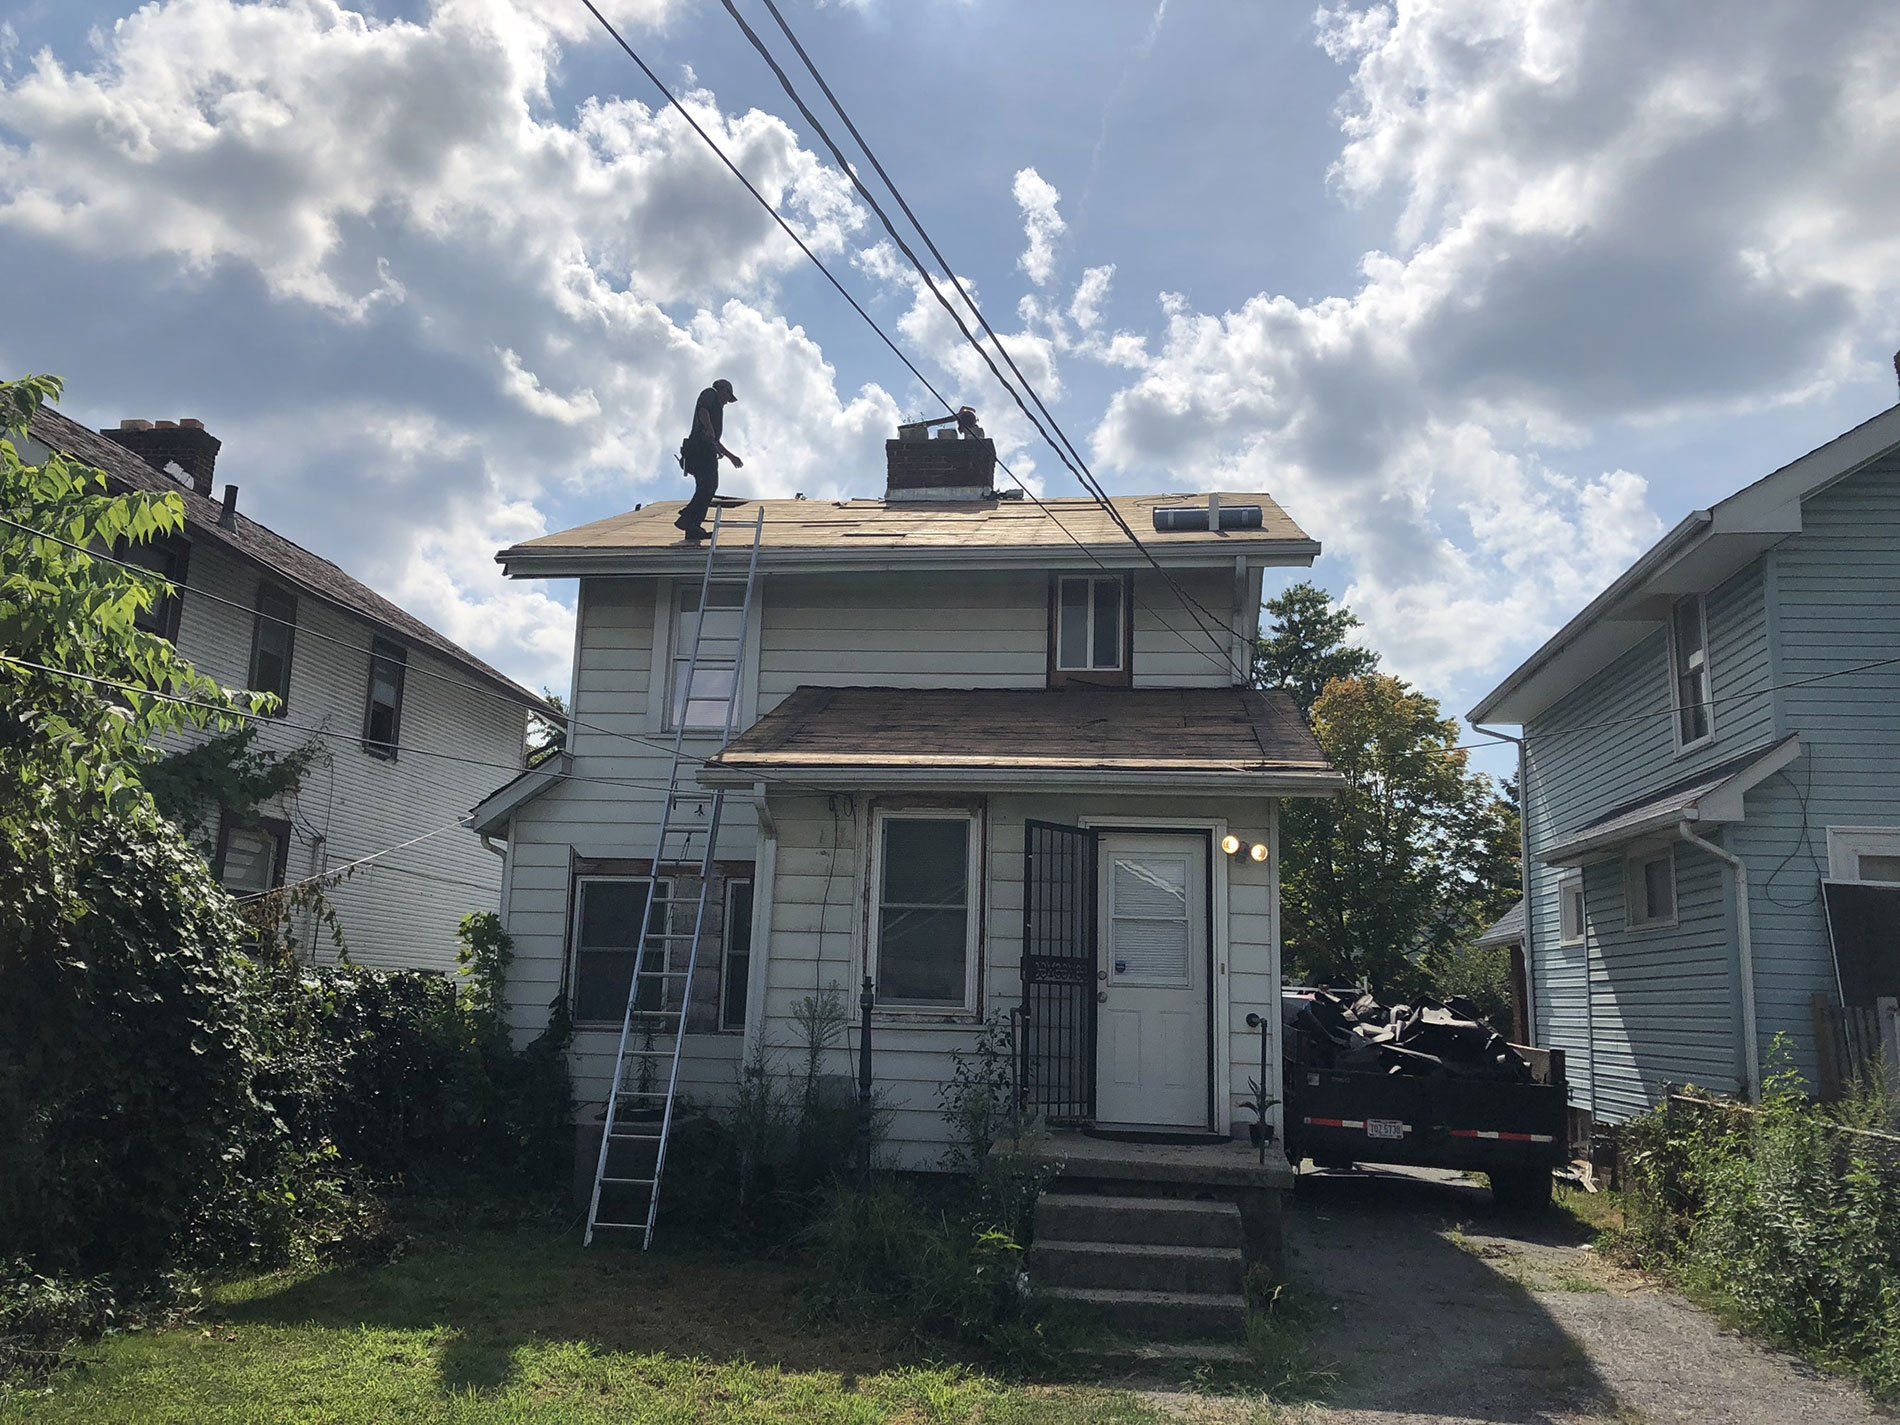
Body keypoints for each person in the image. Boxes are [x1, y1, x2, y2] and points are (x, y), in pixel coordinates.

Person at [677, 378, 742, 540]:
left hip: (704, 450)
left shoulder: (717, 407)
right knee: (709, 485)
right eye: (728, 396)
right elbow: (702, 411)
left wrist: (731, 457)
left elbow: (715, 441)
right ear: (723, 389)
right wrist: (708, 427)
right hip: (700, 450)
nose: (727, 401)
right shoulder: (710, 394)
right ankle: (687, 517)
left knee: (706, 487)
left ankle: (692, 527)